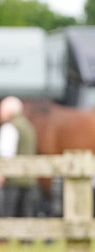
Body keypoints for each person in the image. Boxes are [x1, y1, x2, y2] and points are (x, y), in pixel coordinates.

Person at [0, 96, 39, 230]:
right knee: (26, 212)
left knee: (7, 212)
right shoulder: (28, 125)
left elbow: (7, 153)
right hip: (28, 178)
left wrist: (2, 173)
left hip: (13, 179)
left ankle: (4, 238)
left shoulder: (10, 127)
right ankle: (26, 243)